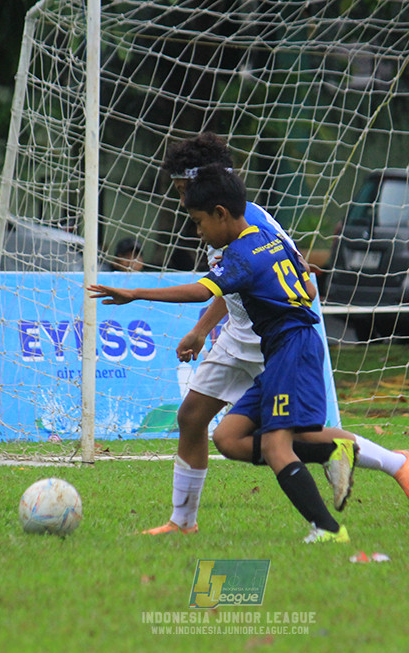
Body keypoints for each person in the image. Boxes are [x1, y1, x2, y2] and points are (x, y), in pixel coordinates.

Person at [141, 133, 409, 538]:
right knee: (194, 419)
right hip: (240, 335)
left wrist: (135, 293)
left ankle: (396, 464)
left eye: (179, 187)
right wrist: (200, 330)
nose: (178, 196)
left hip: (278, 339)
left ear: (200, 183)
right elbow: (233, 283)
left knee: (296, 436)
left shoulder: (251, 221)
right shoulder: (217, 220)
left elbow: (295, 277)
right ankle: (182, 522)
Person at [92, 166, 359, 542]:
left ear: (220, 213)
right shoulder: (268, 237)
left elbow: (202, 292)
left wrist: (135, 293)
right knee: (228, 437)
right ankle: (333, 449)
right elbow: (307, 288)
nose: (198, 231)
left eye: (199, 222)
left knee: (276, 445)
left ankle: (329, 530)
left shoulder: (241, 256)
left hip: (292, 350)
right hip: (285, 347)